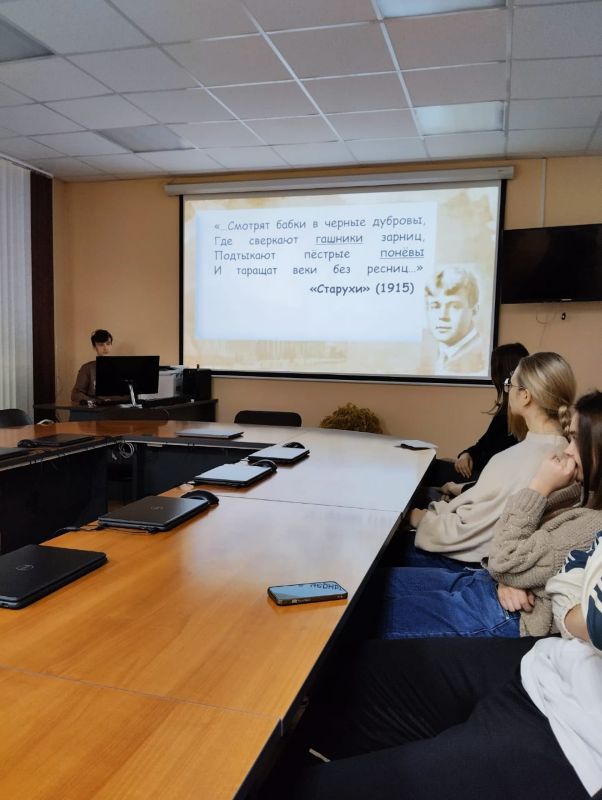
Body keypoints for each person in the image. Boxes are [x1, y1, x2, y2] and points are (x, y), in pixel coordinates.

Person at [262, 534, 602, 800]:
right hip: (553, 659)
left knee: (304, 791)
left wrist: (580, 611)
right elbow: (574, 566)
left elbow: (590, 614)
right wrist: (579, 615)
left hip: (578, 743)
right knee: (343, 673)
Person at [379, 390, 602, 639]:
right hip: (489, 581)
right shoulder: (580, 491)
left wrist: (539, 487)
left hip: (508, 613)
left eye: (577, 440)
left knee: (372, 615)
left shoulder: (592, 524)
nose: (568, 451)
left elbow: (504, 559)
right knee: (375, 587)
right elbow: (505, 547)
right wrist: (507, 578)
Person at [402, 352, 576, 570]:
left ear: (525, 396)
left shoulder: (514, 459)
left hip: (475, 566)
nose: (507, 391)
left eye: (509, 385)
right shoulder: (567, 452)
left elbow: (468, 530)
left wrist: (418, 517)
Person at [423, 342, 529, 489]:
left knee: (431, 469)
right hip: (482, 474)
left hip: (485, 480)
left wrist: (466, 461)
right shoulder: (507, 413)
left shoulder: (511, 417)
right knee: (438, 465)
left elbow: (493, 459)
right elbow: (484, 444)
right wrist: (466, 454)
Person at [424, 265, 485, 375]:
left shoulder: (484, 357)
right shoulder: (435, 354)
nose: (442, 316)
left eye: (455, 306)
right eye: (435, 306)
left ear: (474, 310)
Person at [71, 329, 113, 404]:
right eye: (101, 344)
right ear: (94, 347)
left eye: (108, 343)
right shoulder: (87, 368)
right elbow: (76, 394)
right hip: (96, 407)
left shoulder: (122, 367)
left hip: (119, 407)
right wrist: (96, 401)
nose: (105, 348)